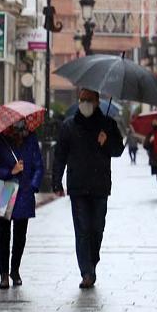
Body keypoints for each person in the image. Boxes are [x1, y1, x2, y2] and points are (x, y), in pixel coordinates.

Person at [52, 88, 125, 289]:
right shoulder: (69, 126)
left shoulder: (108, 124)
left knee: (97, 229)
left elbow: (118, 150)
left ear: (97, 101)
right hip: (77, 186)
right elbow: (60, 155)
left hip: (100, 186)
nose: (84, 103)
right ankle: (86, 271)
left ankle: (92, 260)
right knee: (82, 230)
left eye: (89, 100)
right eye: (82, 99)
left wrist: (106, 141)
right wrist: (56, 181)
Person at [0, 120, 44, 289]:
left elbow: (39, 165)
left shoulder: (31, 139)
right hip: (4, 191)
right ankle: (3, 273)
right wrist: (10, 172)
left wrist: (33, 185)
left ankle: (15, 270)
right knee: (3, 234)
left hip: (24, 193)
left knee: (20, 236)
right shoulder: (0, 140)